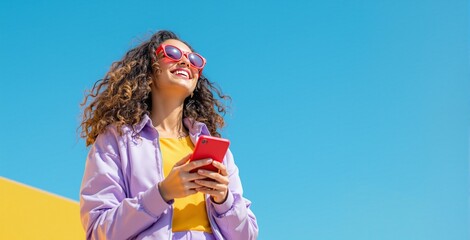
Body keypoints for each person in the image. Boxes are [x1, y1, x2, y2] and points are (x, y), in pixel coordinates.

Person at [79, 30, 258, 240]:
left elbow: (247, 236)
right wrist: (162, 193)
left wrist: (223, 199)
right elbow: (99, 231)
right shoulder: (116, 140)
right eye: (172, 53)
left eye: (194, 60)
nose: (185, 62)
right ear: (148, 71)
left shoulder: (216, 150)